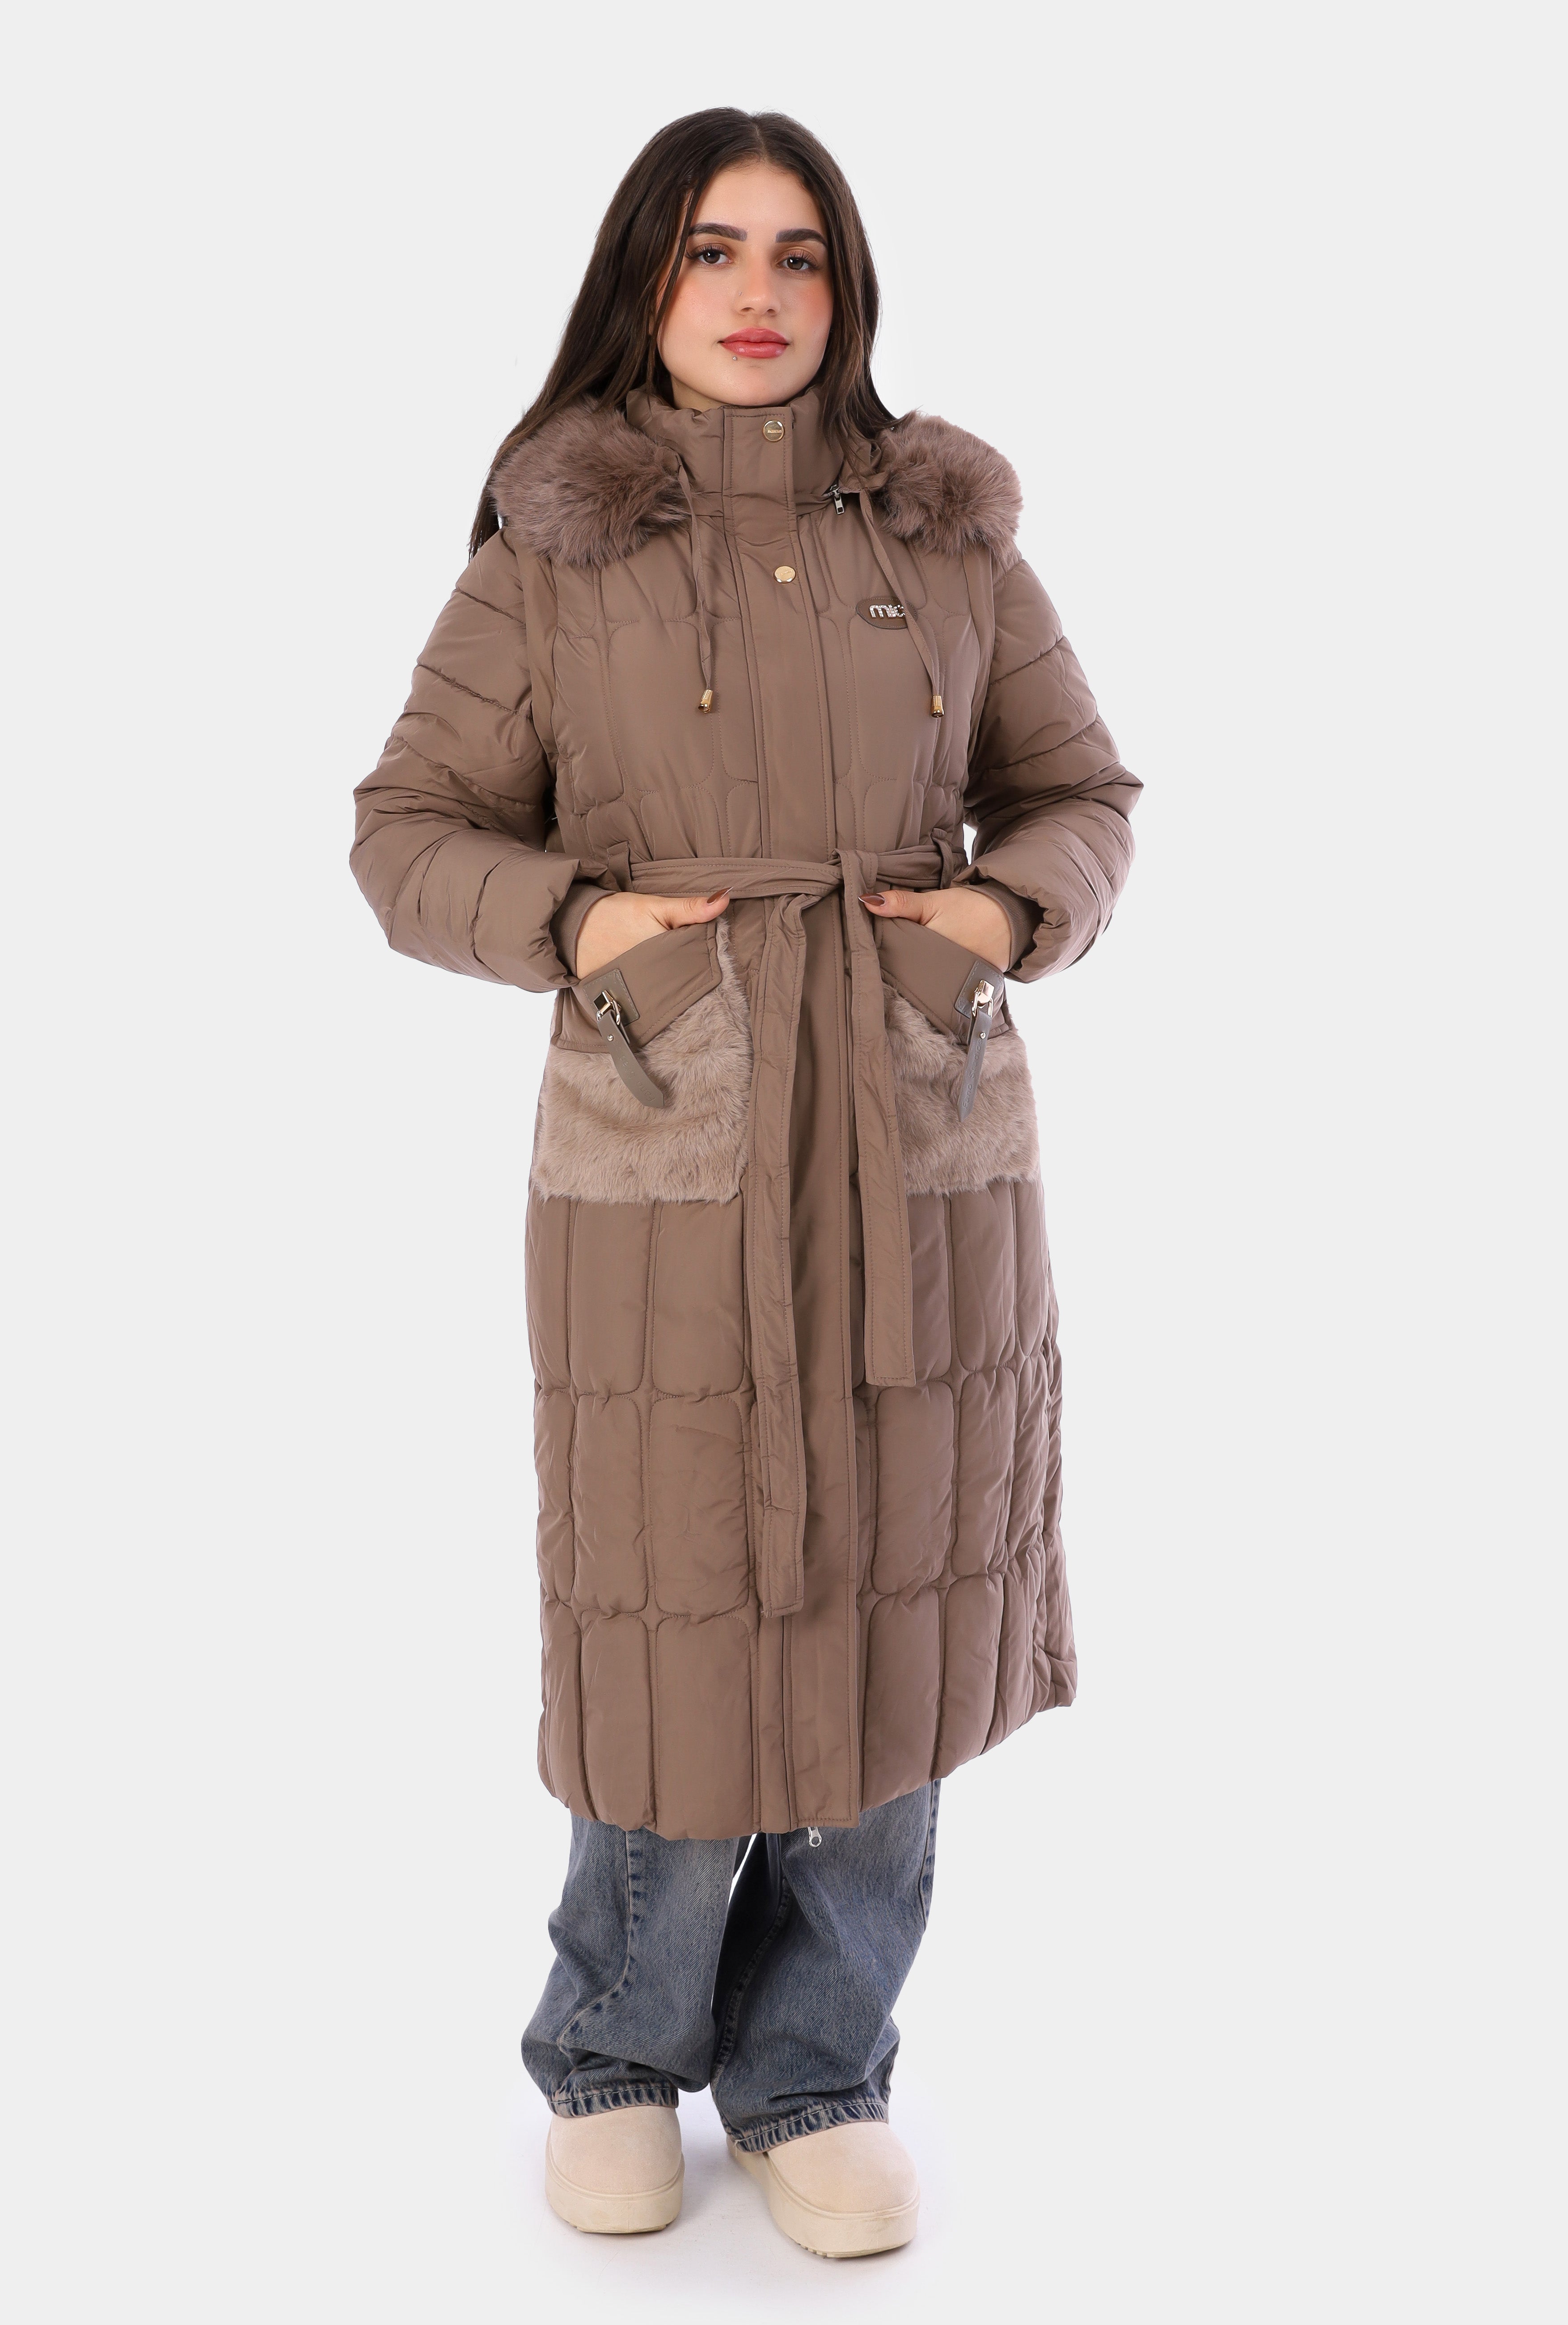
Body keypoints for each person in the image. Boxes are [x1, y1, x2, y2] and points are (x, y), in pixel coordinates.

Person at [350, 107, 1141, 2258]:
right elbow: (407, 830)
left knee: (896, 1585)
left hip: (913, 1136)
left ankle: (814, 2068)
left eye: (798, 254)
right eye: (712, 250)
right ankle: (614, 2044)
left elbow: (1076, 789)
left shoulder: (946, 537)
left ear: (845, 288)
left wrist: (996, 919)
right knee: (668, 1591)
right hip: (665, 1131)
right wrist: (586, 928)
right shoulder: (556, 551)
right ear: (645, 276)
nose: (759, 293)